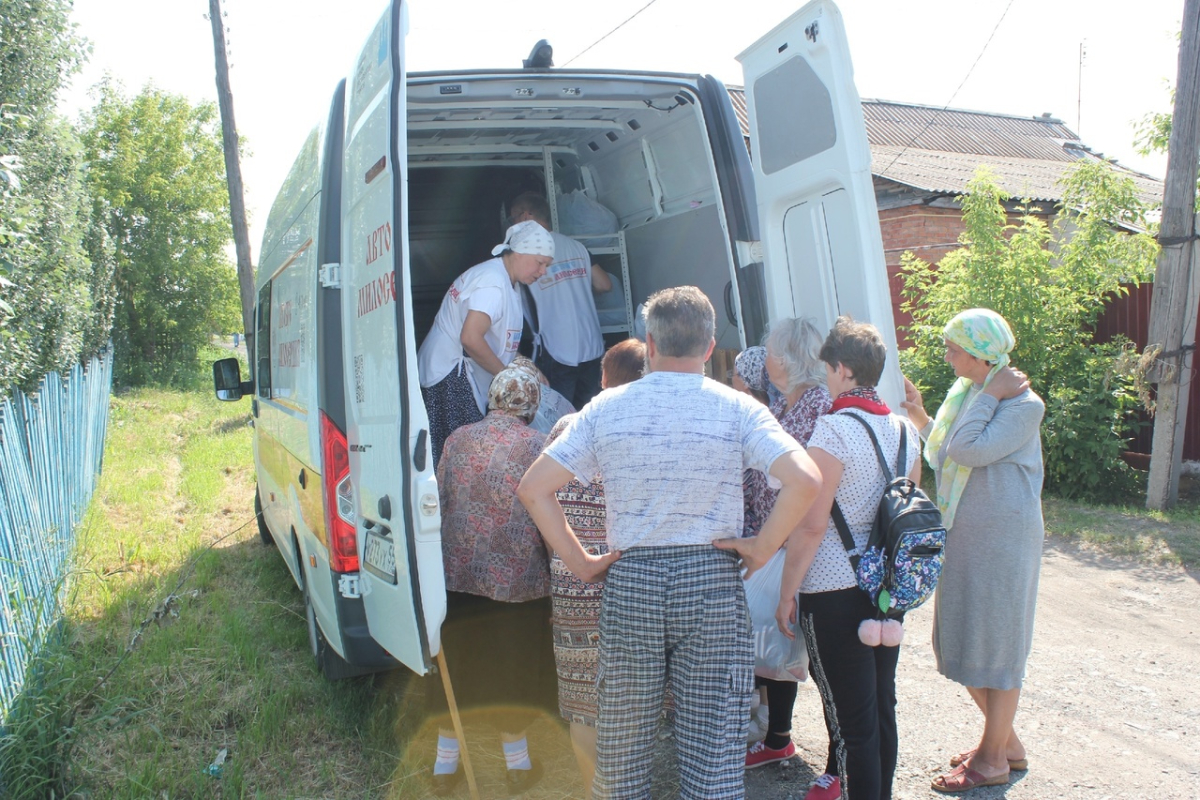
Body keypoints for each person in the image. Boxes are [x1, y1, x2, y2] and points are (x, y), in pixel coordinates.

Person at [519, 286, 822, 800]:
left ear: (649, 343)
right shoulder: (737, 407)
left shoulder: (606, 407)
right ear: (709, 347)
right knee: (712, 749)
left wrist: (583, 563)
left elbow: (533, 488)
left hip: (632, 579)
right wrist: (763, 546)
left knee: (622, 749)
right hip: (709, 580)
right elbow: (806, 479)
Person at [720, 316, 920, 800]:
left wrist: (787, 592)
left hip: (834, 588)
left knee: (851, 719)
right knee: (879, 708)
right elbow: (907, 506)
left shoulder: (832, 430)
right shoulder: (903, 429)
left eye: (830, 365)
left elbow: (811, 525)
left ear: (842, 369)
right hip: (885, 589)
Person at [899, 308, 1045, 794]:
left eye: (954, 349)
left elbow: (968, 451)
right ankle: (1007, 744)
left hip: (1003, 535)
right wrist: (920, 411)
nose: (946, 356)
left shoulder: (1023, 405)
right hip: (966, 531)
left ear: (982, 356)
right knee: (964, 639)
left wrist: (995, 392)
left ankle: (992, 760)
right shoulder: (970, 393)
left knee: (997, 643)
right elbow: (944, 451)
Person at [427, 367, 554, 796]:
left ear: (494, 398)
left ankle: (445, 766)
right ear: (531, 405)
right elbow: (548, 517)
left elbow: (440, 499)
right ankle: (517, 765)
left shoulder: (457, 438)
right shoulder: (540, 445)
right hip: (516, 583)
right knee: (511, 669)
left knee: (458, 662)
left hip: (457, 575)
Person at [738, 320, 841, 800]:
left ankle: (841, 765)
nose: (765, 355)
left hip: (811, 555)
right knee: (776, 646)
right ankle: (779, 738)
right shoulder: (782, 404)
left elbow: (810, 498)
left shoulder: (821, 409)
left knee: (824, 664)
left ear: (788, 358)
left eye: (770, 348)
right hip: (773, 545)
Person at [545, 338, 646, 791]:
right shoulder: (647, 429)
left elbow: (541, 498)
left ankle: (594, 789)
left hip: (575, 577)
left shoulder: (568, 425)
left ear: (603, 377)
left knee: (584, 698)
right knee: (637, 697)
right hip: (631, 577)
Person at [417, 219, 554, 465]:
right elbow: (470, 338)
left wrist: (527, 367)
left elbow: (503, 340)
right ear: (521, 252)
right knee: (463, 456)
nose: (543, 271)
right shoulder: (492, 282)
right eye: (540, 262)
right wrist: (511, 380)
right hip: (451, 375)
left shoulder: (507, 280)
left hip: (460, 373)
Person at [509, 191, 613, 409]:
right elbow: (604, 284)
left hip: (556, 348)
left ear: (526, 216)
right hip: (591, 344)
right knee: (589, 414)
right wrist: (575, 289)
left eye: (513, 218)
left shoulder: (524, 254)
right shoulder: (576, 246)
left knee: (557, 417)